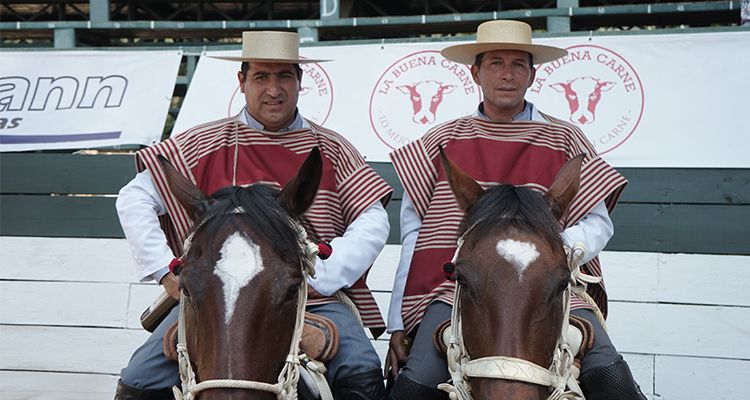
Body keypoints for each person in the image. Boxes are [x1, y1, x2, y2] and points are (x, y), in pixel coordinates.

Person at [115, 30, 392, 400]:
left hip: (311, 297)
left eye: (284, 76)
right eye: (261, 76)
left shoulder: (333, 148)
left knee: (361, 371)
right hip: (217, 298)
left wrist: (324, 273)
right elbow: (133, 199)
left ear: (300, 81)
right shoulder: (203, 143)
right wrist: (165, 270)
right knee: (139, 380)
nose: (273, 89)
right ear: (242, 81)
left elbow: (373, 218)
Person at [385, 20, 646, 400]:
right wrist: (399, 322)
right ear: (475, 72)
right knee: (416, 385)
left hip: (548, 287)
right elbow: (415, 235)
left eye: (518, 65)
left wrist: (544, 250)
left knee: (613, 380)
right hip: (458, 290)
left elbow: (597, 223)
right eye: (495, 63)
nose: (507, 74)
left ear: (532, 74)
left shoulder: (566, 138)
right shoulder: (440, 141)